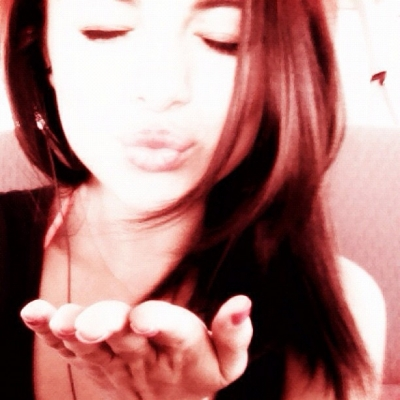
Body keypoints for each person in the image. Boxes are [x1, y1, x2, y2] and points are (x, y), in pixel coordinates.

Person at [0, 0, 386, 399]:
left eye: (225, 39)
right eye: (106, 30)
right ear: (41, 49)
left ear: (283, 68)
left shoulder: (338, 309)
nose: (162, 91)